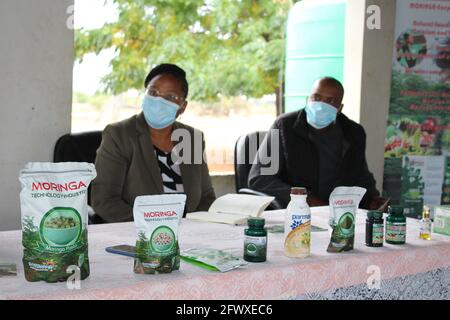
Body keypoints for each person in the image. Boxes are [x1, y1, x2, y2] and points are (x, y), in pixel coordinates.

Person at [91, 63, 216, 222]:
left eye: (170, 97)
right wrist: (153, 225)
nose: (159, 101)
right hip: (138, 234)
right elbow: (104, 200)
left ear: (182, 107)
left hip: (188, 234)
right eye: (153, 92)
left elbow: (207, 198)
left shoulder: (191, 138)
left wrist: (193, 227)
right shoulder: (119, 135)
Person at [248, 77, 387, 210]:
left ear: (339, 108)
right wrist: (306, 199)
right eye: (317, 97)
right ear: (307, 99)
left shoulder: (353, 132)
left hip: (338, 213)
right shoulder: (284, 126)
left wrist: (372, 199)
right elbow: (259, 178)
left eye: (330, 101)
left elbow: (361, 175)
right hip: (296, 211)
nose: (321, 105)